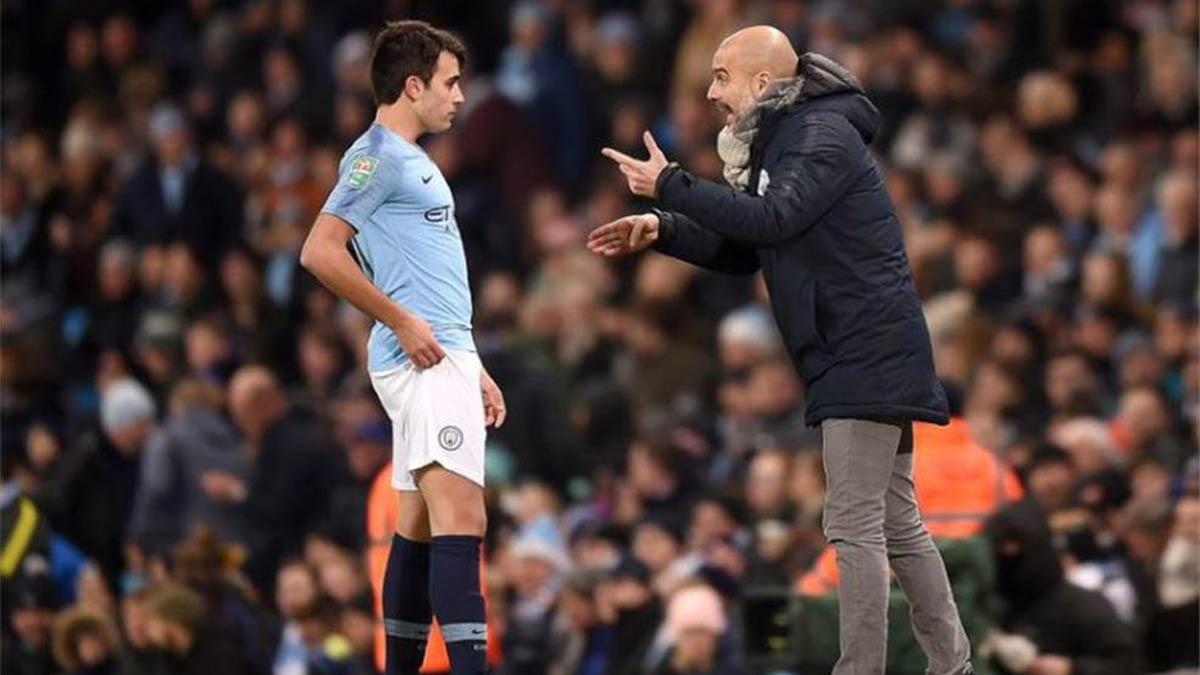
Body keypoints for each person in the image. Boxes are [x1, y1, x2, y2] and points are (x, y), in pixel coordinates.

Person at [588, 25, 971, 675]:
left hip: (860, 351)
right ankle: (952, 664)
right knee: (896, 521)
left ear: (762, 84)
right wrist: (665, 228)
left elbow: (771, 220)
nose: (710, 91)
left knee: (853, 523)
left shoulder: (817, 135)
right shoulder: (790, 137)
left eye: (720, 77)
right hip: (861, 347)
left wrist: (673, 185)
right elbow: (750, 247)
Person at [300, 20, 506, 675]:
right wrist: (406, 322)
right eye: (449, 83)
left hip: (444, 357)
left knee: (416, 527)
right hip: (423, 359)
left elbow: (427, 275)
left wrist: (471, 361)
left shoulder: (412, 159)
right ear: (412, 85)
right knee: (462, 516)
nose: (458, 96)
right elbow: (319, 250)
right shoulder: (377, 157)